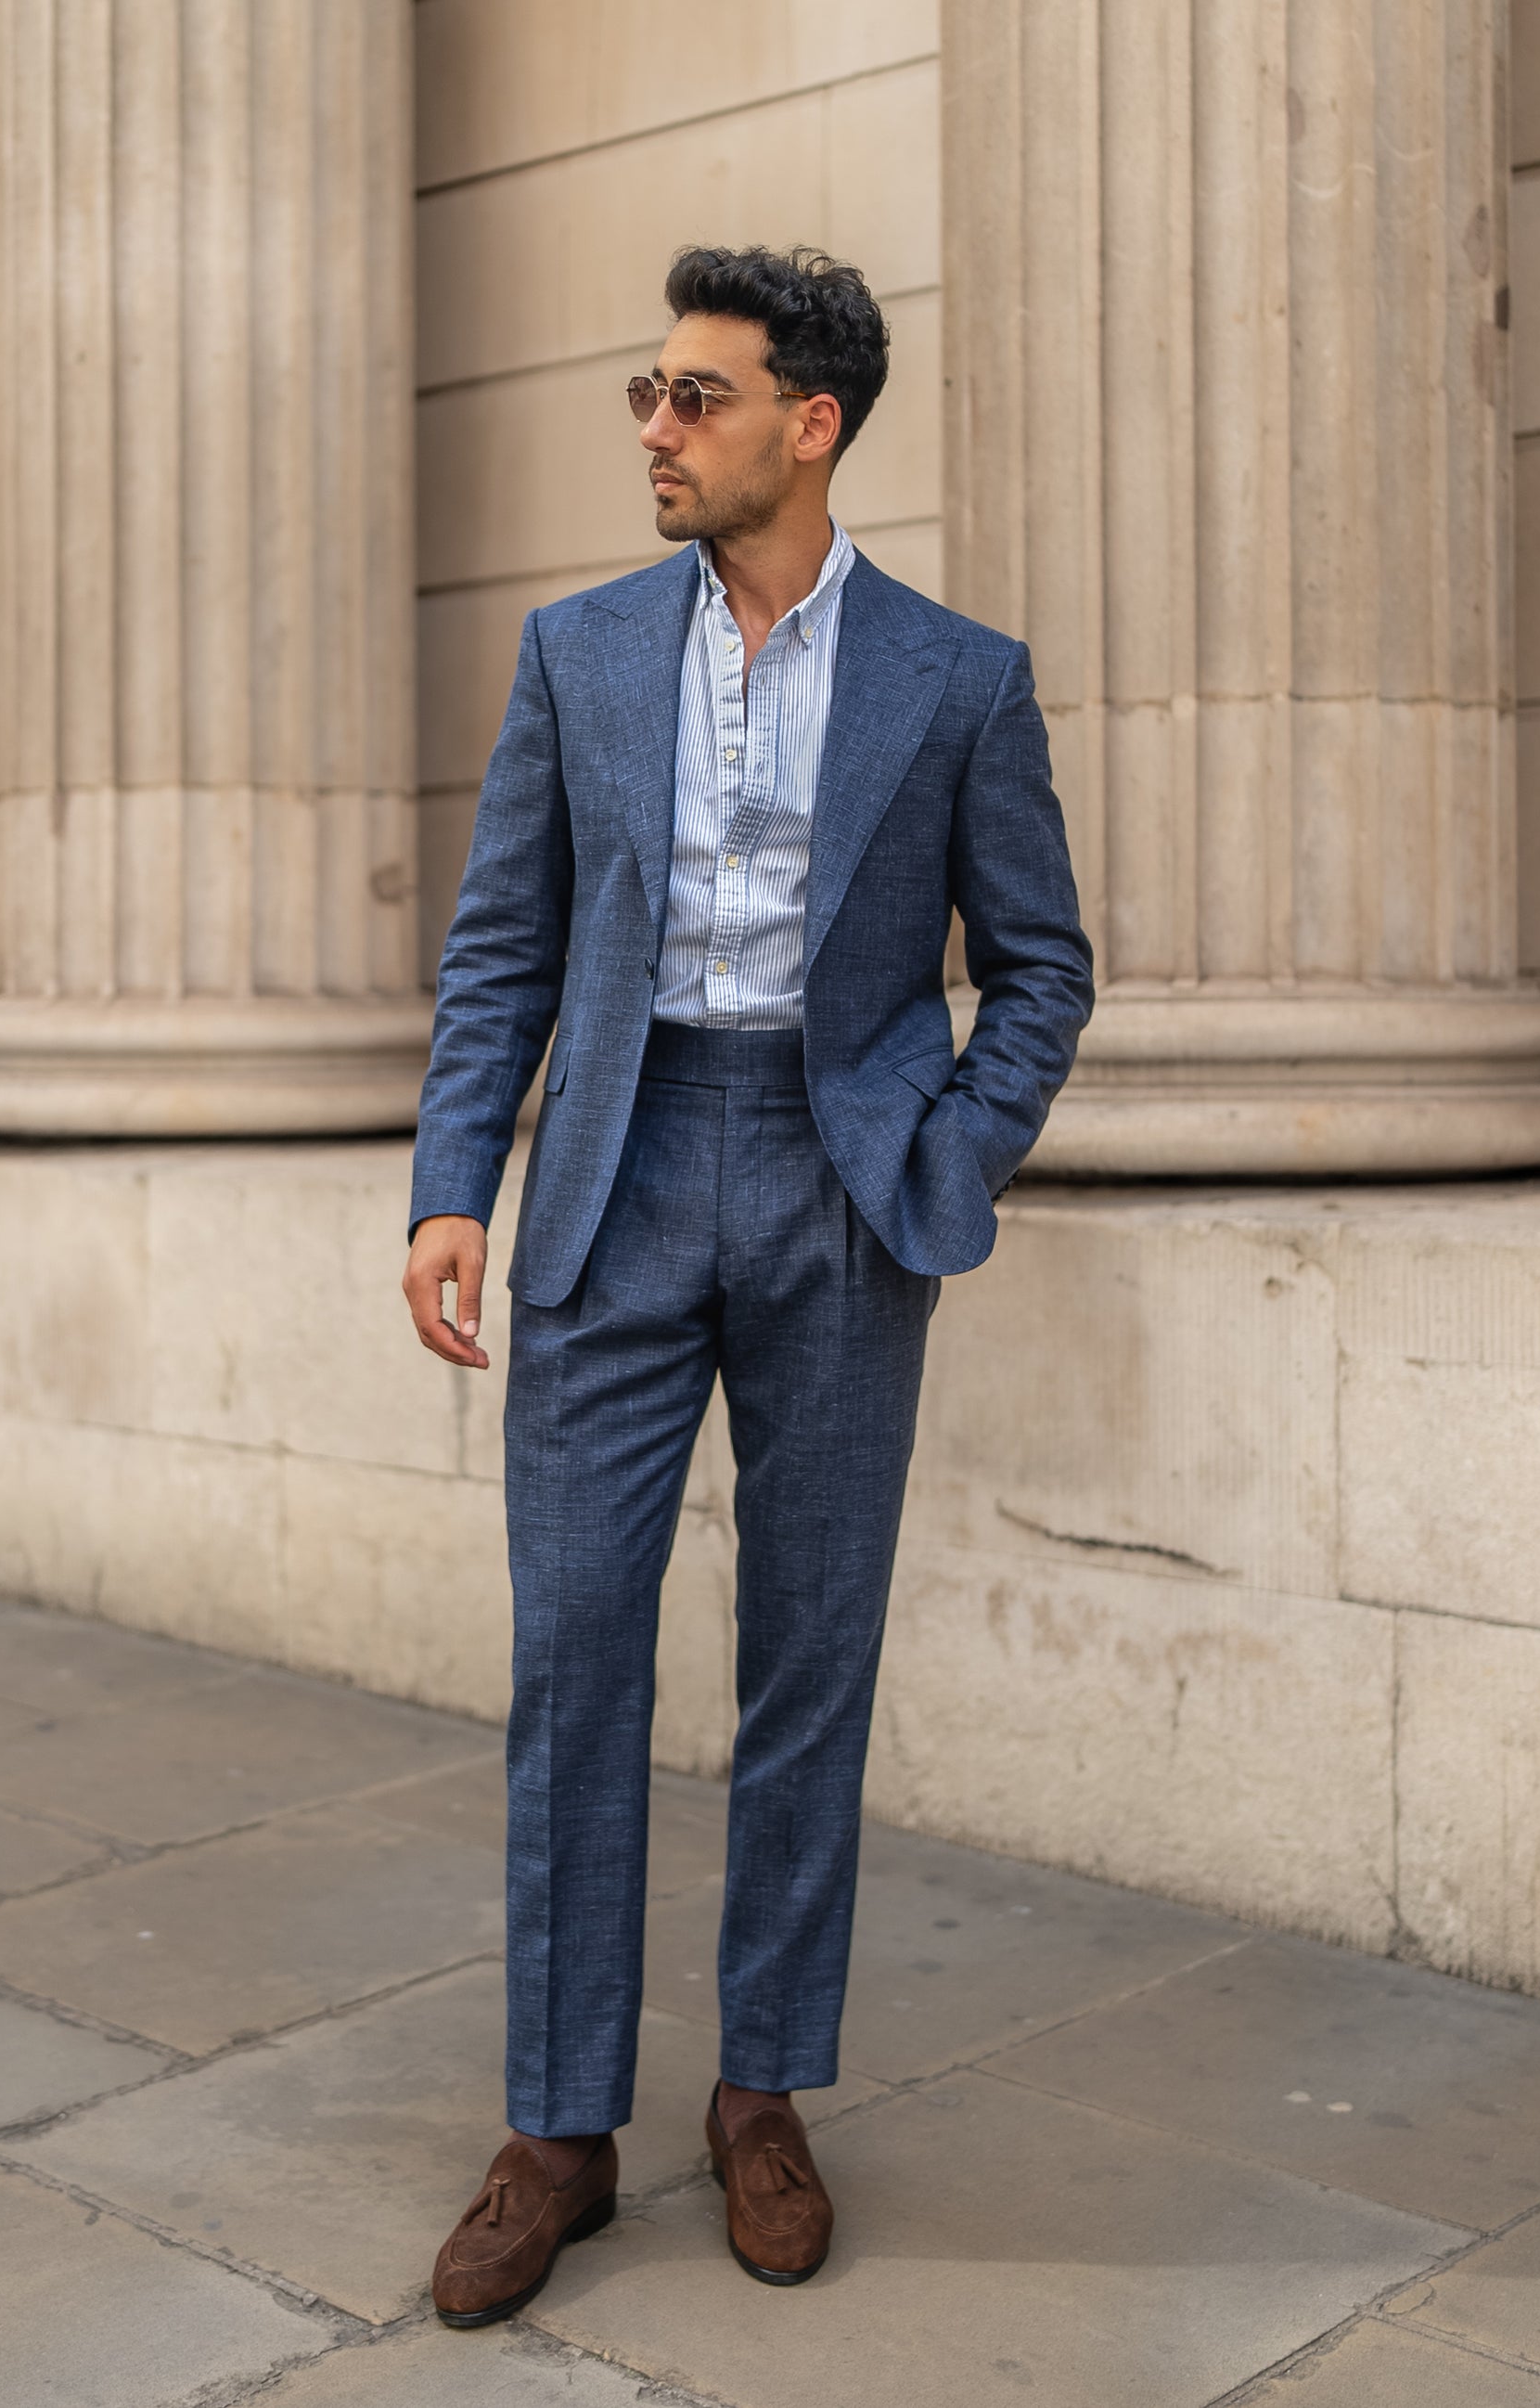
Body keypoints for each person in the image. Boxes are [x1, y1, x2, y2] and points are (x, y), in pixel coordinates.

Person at [405, 244, 1093, 2325]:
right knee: (573, 1654)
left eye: (692, 397)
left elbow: (1040, 969)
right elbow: (503, 942)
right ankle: (556, 2127)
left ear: (811, 423)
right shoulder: (579, 650)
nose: (653, 428)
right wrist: (452, 1186)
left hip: (836, 1186)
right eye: (645, 392)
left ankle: (762, 2093)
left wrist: (940, 1151)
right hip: (610, 1184)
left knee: (809, 1659)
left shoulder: (957, 676)